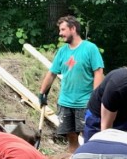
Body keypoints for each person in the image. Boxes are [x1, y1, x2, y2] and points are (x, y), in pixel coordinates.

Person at [37, 16, 104, 151]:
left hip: (85, 102)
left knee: (89, 138)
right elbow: (52, 73)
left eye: (63, 29)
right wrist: (42, 92)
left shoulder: (90, 48)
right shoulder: (62, 51)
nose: (60, 33)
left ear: (73, 29)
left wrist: (95, 96)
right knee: (71, 139)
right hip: (65, 102)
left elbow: (98, 72)